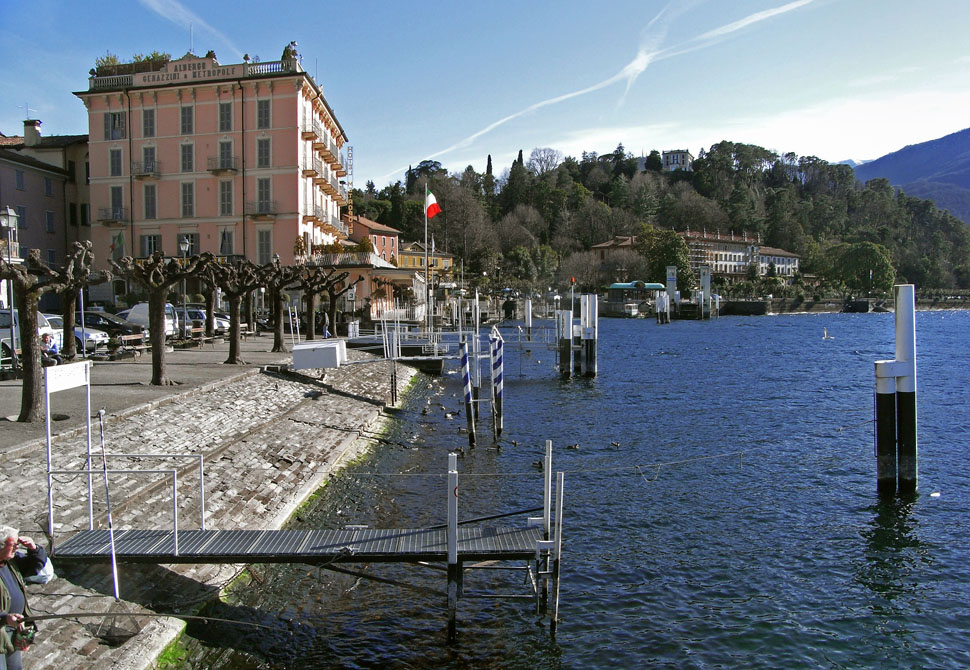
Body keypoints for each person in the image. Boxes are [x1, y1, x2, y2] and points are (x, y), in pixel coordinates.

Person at [0, 526, 46, 670]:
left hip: (12, 630)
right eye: (13, 544)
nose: (16, 548)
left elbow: (34, 566)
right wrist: (5, 618)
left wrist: (33, 549)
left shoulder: (11, 562)